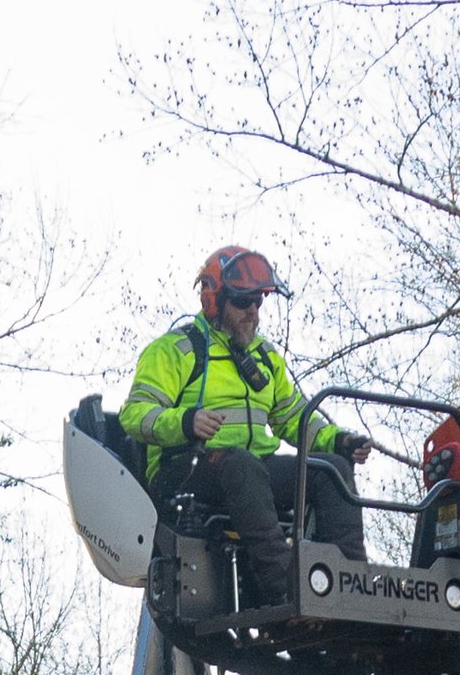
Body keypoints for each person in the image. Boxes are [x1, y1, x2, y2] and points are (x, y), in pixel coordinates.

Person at [121, 246, 372, 609]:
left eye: (258, 302)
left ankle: (352, 588)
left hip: (249, 470)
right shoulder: (176, 350)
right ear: (214, 301)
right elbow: (135, 415)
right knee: (241, 466)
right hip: (186, 469)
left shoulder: (265, 358)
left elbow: (293, 417)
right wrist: (186, 422)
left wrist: (340, 441)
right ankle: (285, 592)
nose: (252, 312)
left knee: (330, 471)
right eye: (242, 303)